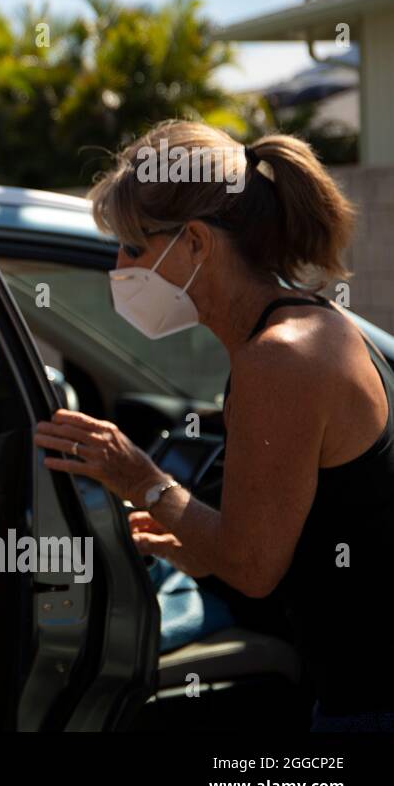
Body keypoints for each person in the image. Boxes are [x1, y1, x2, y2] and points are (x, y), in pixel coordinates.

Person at [32, 120, 394, 730]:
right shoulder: (303, 331)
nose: (118, 267)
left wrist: (141, 477)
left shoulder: (280, 358)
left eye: (134, 247)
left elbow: (254, 567)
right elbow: (279, 543)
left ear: (195, 243)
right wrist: (196, 543)